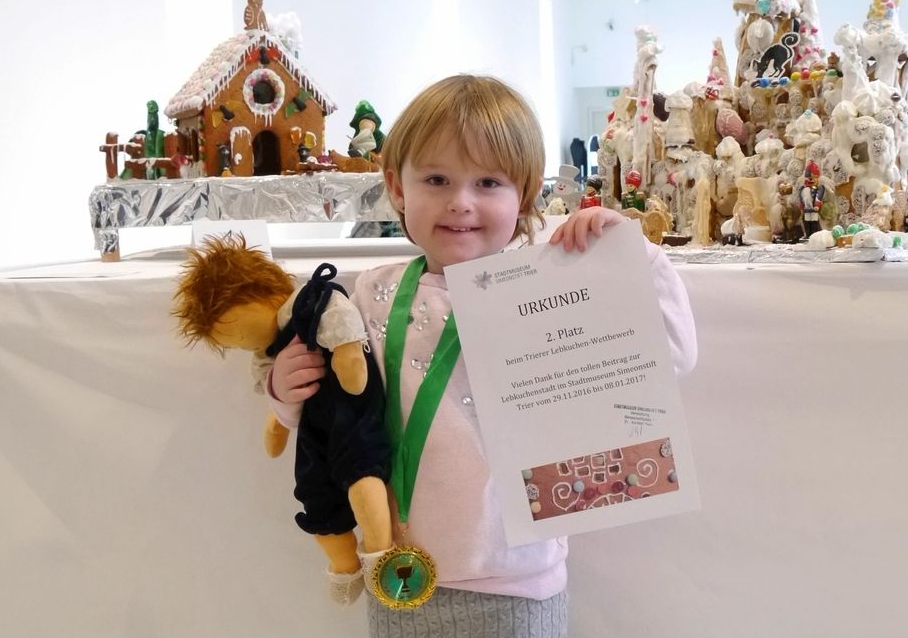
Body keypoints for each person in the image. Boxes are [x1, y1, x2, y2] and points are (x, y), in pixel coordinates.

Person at [265, 74, 697, 637]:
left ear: (525, 191)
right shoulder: (369, 294)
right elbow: (331, 415)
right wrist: (283, 389)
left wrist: (628, 251)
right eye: (437, 179)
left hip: (517, 582)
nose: (461, 203)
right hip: (397, 571)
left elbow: (674, 353)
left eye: (488, 181)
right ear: (398, 188)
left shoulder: (551, 287)